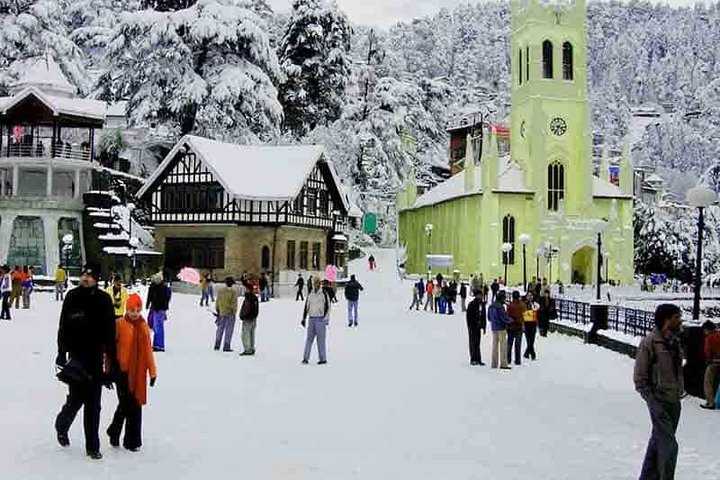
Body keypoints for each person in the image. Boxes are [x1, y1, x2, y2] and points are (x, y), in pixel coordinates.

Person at [55, 263, 116, 460]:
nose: (85, 278)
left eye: (90, 276)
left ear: (96, 279)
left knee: (94, 405)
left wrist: (111, 365)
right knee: (75, 400)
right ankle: (62, 425)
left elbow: (110, 334)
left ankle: (92, 447)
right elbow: (63, 325)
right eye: (83, 275)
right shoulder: (72, 297)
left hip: (96, 357)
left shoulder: (104, 300)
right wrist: (61, 352)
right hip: (77, 357)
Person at [633, 304, 684, 480]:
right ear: (666, 320)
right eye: (677, 317)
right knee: (669, 447)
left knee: (658, 442)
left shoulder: (675, 342)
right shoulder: (649, 342)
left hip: (674, 401)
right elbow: (640, 378)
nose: (680, 321)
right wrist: (652, 401)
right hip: (658, 401)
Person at [107, 293, 157, 452]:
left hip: (138, 372)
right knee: (126, 403)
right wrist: (107, 370)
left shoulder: (144, 327)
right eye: (131, 310)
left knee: (135, 405)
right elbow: (110, 349)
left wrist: (153, 372)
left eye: (137, 310)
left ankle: (131, 441)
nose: (135, 313)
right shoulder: (119, 324)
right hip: (121, 371)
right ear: (126, 309)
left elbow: (148, 351)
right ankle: (115, 431)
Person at [301, 277, 331, 365]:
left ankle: (323, 358)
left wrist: (326, 319)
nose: (316, 284)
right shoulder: (310, 294)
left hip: (320, 319)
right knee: (309, 339)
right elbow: (306, 306)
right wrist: (303, 318)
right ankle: (305, 358)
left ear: (320, 283)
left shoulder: (324, 293)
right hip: (311, 319)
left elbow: (328, 307)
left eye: (318, 282)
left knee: (321, 340)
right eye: (315, 282)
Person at [146, 273, 171, 352]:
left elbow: (165, 299)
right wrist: (148, 304)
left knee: (158, 327)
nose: (156, 280)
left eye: (158, 279)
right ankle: (156, 345)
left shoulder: (163, 288)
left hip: (160, 309)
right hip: (155, 309)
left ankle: (160, 345)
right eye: (155, 279)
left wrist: (162, 307)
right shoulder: (154, 287)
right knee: (156, 327)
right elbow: (150, 296)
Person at [488, 290, 512, 370]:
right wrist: (511, 320)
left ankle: (494, 363)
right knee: (503, 347)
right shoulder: (500, 307)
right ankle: (503, 364)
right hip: (501, 328)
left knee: (494, 346)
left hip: (494, 328)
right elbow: (503, 318)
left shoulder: (491, 306)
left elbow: (489, 318)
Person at [214, 277, 238, 352]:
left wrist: (218, 310)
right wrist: (234, 312)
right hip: (230, 313)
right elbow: (234, 304)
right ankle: (226, 346)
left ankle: (217, 345)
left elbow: (217, 302)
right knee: (229, 331)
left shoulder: (220, 291)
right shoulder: (233, 292)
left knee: (219, 329)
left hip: (221, 312)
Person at [701, 320, 720, 410]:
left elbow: (707, 351)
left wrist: (708, 361)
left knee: (708, 382)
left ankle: (710, 402)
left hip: (714, 362)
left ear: (707, 329)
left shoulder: (709, 338)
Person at [466, 290, 487, 366]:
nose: (481, 296)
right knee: (472, 342)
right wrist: (470, 326)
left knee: (477, 343)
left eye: (481, 295)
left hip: (479, 326)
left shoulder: (482, 304)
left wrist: (484, 326)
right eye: (479, 295)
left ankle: (478, 359)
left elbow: (484, 316)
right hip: (472, 326)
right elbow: (468, 317)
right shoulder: (471, 304)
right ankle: (473, 358)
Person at [239, 282, 260, 356]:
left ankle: (247, 349)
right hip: (253, 318)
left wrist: (242, 315)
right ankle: (252, 348)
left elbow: (246, 308)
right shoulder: (255, 298)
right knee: (252, 334)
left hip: (247, 318)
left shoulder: (248, 298)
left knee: (245, 334)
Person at [506, 291, 525, 366]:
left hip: (511, 327)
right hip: (519, 326)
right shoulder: (523, 305)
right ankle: (517, 360)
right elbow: (524, 316)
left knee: (509, 344)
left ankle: (508, 359)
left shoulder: (510, 305)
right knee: (518, 344)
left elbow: (507, 316)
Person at [523, 292, 539, 360]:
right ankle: (533, 354)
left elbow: (537, 311)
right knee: (528, 339)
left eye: (531, 295)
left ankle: (526, 353)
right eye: (528, 295)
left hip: (533, 323)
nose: (530, 297)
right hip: (526, 323)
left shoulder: (534, 304)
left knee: (532, 340)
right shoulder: (524, 304)